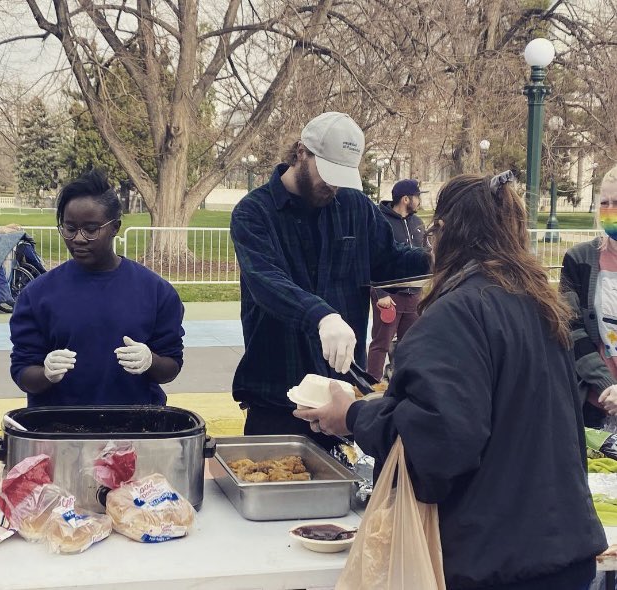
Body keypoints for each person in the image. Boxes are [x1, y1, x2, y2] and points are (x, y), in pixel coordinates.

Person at [295, 172, 606, 589]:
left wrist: (352, 416)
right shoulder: (536, 303)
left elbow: (439, 446)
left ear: (442, 232)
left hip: (500, 563)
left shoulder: (457, 313)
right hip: (561, 551)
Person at [230, 112, 429, 447]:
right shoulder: (253, 213)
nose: (333, 185)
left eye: (341, 176)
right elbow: (266, 281)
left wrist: (440, 258)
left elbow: (387, 260)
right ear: (300, 152)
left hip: (339, 398)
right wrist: (321, 316)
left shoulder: (355, 207)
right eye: (327, 172)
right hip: (276, 395)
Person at [9, 169, 184, 406]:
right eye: (70, 228)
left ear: (115, 227)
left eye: (91, 229)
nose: (78, 239)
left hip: (135, 426)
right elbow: (23, 371)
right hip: (59, 429)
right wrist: (45, 374)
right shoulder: (37, 295)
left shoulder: (156, 292)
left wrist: (151, 361)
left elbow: (170, 367)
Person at [562, 164, 617, 428]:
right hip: (594, 404)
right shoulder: (579, 260)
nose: (610, 210)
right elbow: (572, 329)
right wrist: (609, 386)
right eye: (604, 202)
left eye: (616, 202)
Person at [366, 178, 427, 381]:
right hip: (389, 296)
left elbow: (427, 254)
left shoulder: (418, 223)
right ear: (406, 199)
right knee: (381, 343)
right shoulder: (380, 222)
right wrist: (380, 294)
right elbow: (372, 260)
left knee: (410, 344)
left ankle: (402, 384)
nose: (420, 202)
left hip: (414, 297)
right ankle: (371, 386)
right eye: (417, 197)